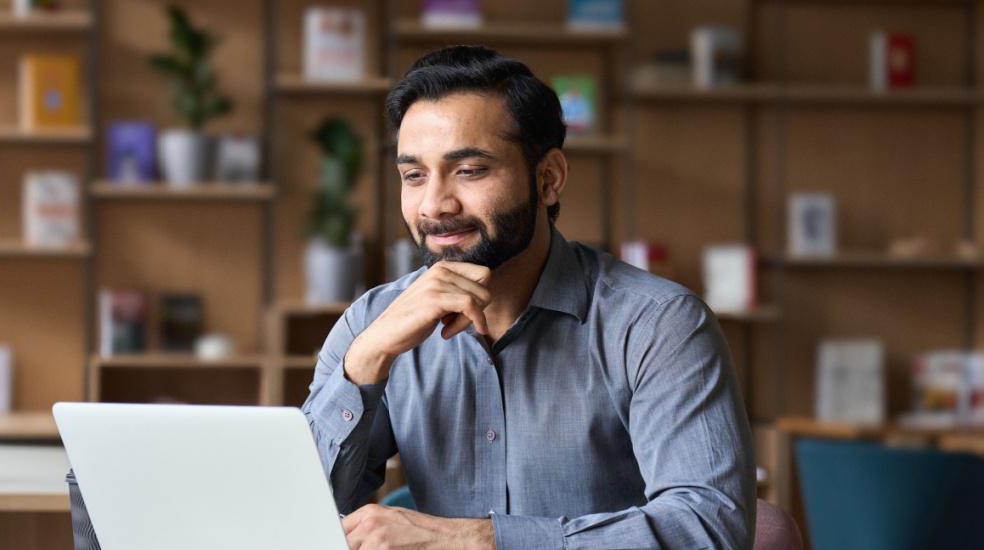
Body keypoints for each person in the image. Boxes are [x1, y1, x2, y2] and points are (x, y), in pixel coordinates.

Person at [302, 45, 755, 550]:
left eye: (470, 170)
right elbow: (297, 520)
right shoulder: (371, 322)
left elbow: (709, 529)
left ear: (548, 178)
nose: (434, 204)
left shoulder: (658, 325)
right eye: (414, 175)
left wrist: (481, 541)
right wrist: (363, 363)